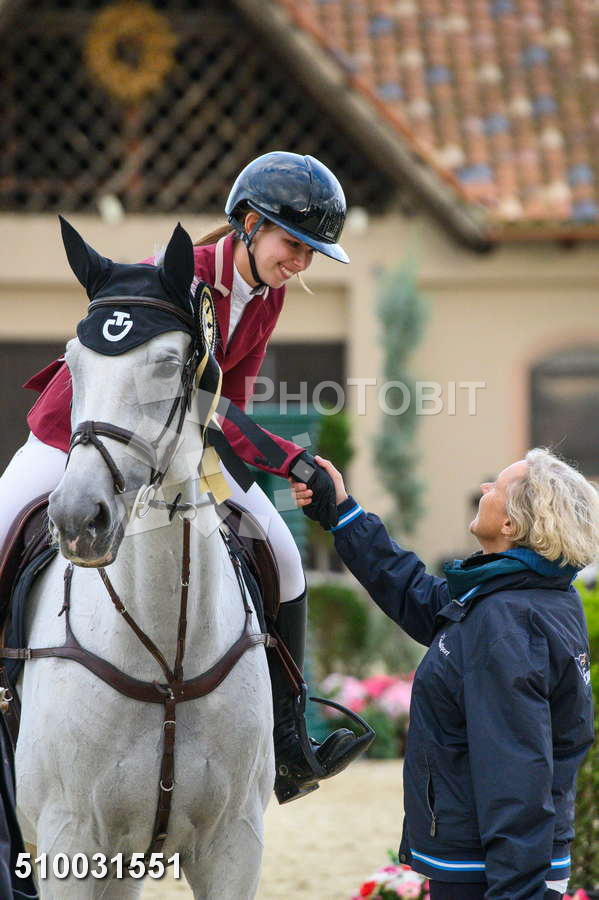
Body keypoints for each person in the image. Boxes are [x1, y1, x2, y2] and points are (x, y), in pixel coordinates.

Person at [0, 151, 362, 804]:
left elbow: (227, 404)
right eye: (293, 244)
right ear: (249, 224)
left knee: (283, 554)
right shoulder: (179, 280)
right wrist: (291, 458)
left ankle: (288, 738)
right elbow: (197, 399)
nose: (301, 263)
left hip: (180, 446)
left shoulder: (267, 295)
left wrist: (276, 460)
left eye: (312, 251)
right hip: (74, 436)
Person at [291, 448, 598, 899]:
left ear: (511, 525)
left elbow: (517, 773)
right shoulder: (520, 594)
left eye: (497, 487)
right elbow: (417, 595)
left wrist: (517, 892)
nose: (484, 488)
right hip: (492, 861)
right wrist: (342, 513)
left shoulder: (506, 623)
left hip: (492, 873)